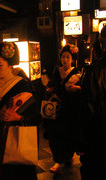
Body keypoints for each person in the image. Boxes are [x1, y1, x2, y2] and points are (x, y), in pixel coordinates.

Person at [0, 42, 38, 180]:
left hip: (16, 142)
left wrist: (17, 117)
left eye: (0, 65)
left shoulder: (22, 85)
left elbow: (35, 116)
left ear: (10, 65)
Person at [42, 44, 82, 173]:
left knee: (68, 134)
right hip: (56, 109)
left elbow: (80, 91)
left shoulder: (76, 73)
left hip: (70, 109)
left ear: (72, 59)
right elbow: (53, 85)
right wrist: (50, 89)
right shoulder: (56, 71)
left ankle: (67, 156)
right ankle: (58, 160)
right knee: (55, 135)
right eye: (63, 57)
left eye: (67, 57)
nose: (65, 60)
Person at [79, 23, 106, 180]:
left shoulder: (93, 71)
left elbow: (86, 111)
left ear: (102, 44)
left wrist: (82, 143)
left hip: (99, 144)